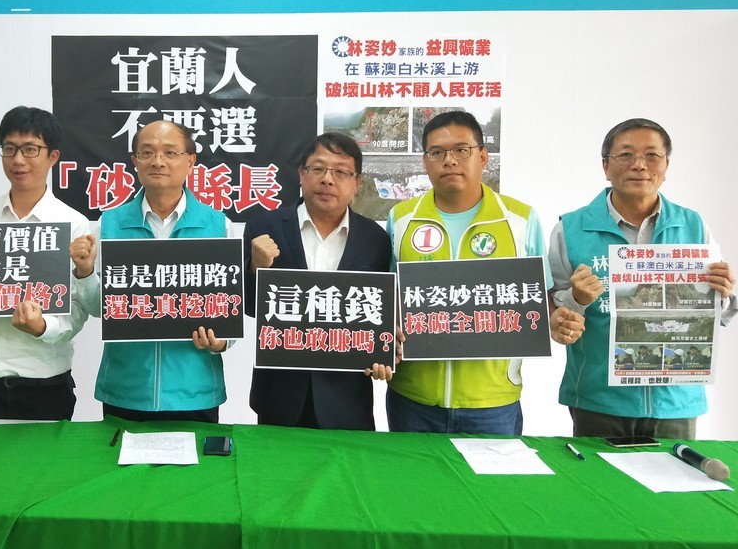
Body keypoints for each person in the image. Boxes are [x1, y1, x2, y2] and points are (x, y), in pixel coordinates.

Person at [372, 110, 584, 435]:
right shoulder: (401, 219)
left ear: (483, 156)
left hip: (493, 401)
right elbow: (387, 299)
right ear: (425, 162)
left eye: (461, 150)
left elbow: (539, 297)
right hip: (412, 397)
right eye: (437, 152)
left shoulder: (520, 220)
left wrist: (554, 321)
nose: (449, 160)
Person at [550, 118, 736, 438]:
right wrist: (575, 301)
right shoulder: (570, 229)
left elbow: (717, 315)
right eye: (625, 154)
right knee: (597, 473)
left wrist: (724, 291)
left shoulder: (693, 225)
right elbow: (554, 314)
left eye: (652, 155)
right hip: (599, 398)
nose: (639, 165)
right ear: (605, 166)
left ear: (666, 166)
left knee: (674, 471)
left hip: (675, 400)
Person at [0, 106, 99, 421]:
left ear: (52, 156)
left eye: (30, 149)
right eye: (9, 148)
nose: (18, 159)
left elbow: (79, 309)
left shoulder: (72, 223)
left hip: (46, 386)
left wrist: (42, 327)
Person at [79, 120, 228, 423]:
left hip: (195, 390)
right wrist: (84, 272)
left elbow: (228, 307)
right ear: (135, 161)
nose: (158, 161)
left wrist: (222, 341)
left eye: (170, 152)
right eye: (147, 153)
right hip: (126, 388)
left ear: (190, 161)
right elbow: (98, 308)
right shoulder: (109, 224)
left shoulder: (217, 225)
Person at [243, 132, 394, 430]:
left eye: (341, 172)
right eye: (318, 168)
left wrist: (383, 351)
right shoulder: (264, 227)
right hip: (279, 397)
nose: (327, 179)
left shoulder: (375, 239)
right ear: (302, 174)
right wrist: (255, 267)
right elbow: (247, 308)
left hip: (347, 400)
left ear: (357, 182)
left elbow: (379, 315)